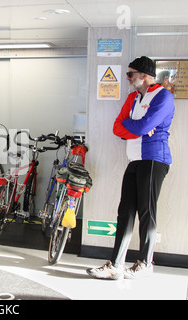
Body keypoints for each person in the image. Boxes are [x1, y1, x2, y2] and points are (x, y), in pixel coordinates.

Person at [87, 56, 175, 280]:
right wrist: (138, 128)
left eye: (130, 74)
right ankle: (115, 265)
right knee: (125, 211)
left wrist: (139, 127)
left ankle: (145, 263)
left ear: (144, 76)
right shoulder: (133, 98)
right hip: (134, 159)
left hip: (155, 159)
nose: (127, 78)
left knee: (147, 211)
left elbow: (145, 125)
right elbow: (118, 127)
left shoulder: (163, 96)